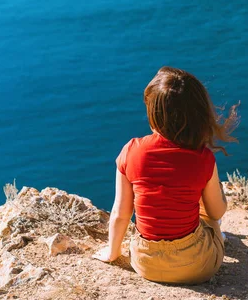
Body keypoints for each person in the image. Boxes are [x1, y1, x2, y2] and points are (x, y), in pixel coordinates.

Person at [93, 66, 238, 284]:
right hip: (199, 266)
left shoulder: (131, 151)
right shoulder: (204, 158)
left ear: (154, 113)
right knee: (205, 211)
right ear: (199, 113)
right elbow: (216, 212)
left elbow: (121, 213)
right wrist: (218, 191)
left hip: (145, 264)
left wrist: (112, 254)